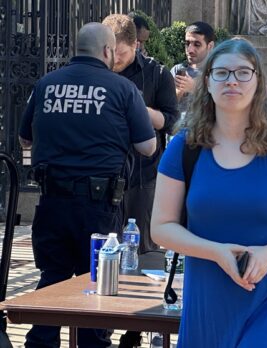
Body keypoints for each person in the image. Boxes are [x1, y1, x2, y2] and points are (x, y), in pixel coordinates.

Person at [150, 38, 267, 347]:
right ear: (206, 82)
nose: (232, 81)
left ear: (258, 81)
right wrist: (216, 252)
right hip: (208, 298)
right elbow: (161, 227)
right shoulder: (184, 148)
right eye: (221, 73)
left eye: (242, 72)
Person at [19, 22, 157, 348]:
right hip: (99, 206)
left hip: (52, 201)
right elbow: (148, 147)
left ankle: (41, 342)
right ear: (108, 51)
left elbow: (24, 139)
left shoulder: (45, 85)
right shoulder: (123, 90)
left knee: (52, 277)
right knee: (97, 282)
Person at [102, 13, 179, 347]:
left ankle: (137, 329)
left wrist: (133, 103)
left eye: (120, 53)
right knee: (106, 252)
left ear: (135, 45)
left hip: (143, 176)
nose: (114, 60)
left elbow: (169, 121)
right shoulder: (98, 70)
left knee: (143, 252)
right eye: (110, 52)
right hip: (104, 174)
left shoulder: (156, 74)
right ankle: (101, 325)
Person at [170, 21, 216, 113]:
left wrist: (195, 88)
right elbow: (167, 107)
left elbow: (220, 108)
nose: (190, 50)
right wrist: (179, 92)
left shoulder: (216, 72)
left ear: (210, 46)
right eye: (187, 44)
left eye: (197, 45)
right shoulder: (177, 70)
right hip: (177, 126)